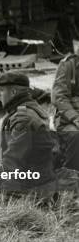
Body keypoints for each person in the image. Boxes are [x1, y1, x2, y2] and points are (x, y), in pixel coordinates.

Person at [0, 72, 58, 197]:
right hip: (36, 181)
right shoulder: (28, 110)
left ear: (13, 92)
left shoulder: (23, 118)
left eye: (1, 91)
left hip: (32, 189)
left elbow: (13, 160)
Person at [51, 42, 79, 171]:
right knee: (75, 135)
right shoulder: (68, 66)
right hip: (67, 118)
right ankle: (70, 175)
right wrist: (75, 118)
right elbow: (59, 97)